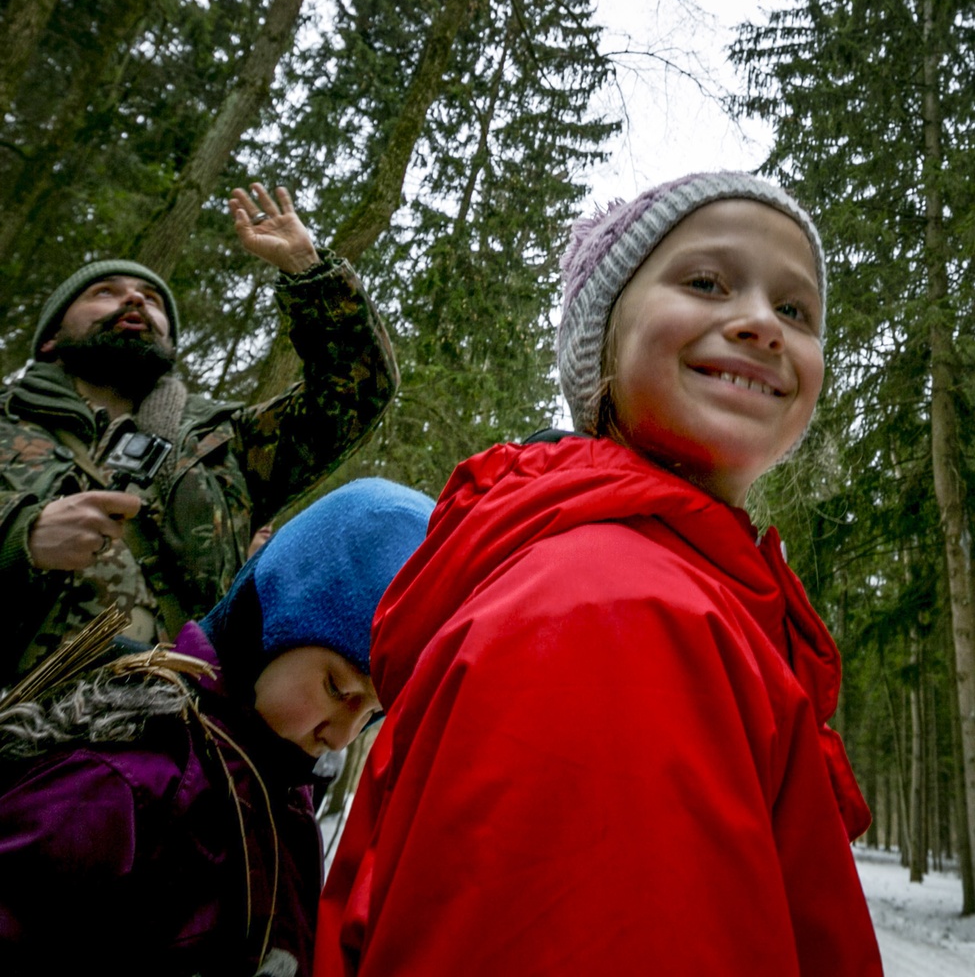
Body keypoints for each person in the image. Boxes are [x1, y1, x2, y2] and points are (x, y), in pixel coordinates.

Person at [315, 172, 883, 976]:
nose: (760, 323)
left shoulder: (695, 590)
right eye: (705, 282)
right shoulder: (611, 607)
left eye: (794, 310)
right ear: (603, 345)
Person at [0, 476, 432, 976]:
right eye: (337, 688)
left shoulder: (279, 792)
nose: (341, 737)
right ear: (275, 612)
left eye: (371, 715)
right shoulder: (122, 778)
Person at [0, 183, 398, 686]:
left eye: (151, 300)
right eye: (106, 292)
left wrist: (306, 268)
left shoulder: (224, 441)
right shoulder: (7, 422)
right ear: (52, 337)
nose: (133, 301)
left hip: (164, 743)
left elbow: (358, 392)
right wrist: (20, 540)